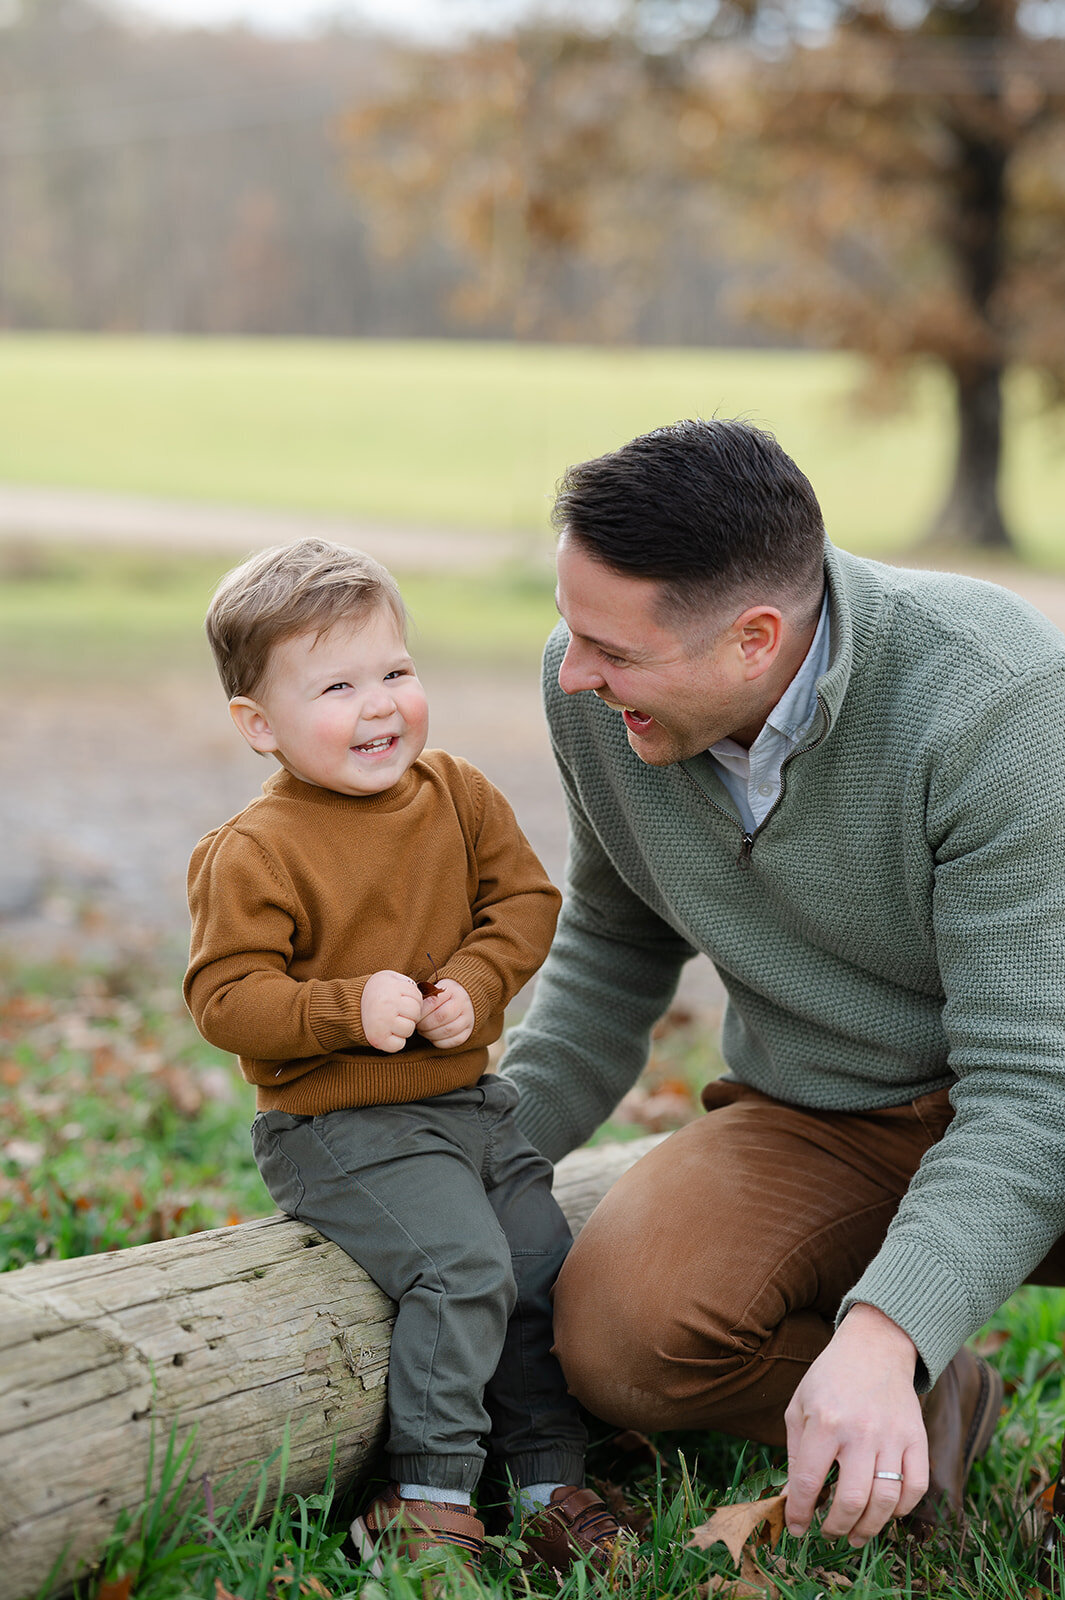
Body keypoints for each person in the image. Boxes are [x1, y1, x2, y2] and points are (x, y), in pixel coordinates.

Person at [500, 417, 1065, 1549]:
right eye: (570, 629)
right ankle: (926, 1410)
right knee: (619, 1336)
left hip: (1039, 1100)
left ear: (754, 639)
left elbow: (1032, 1091)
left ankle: (887, 1362)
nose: (575, 672)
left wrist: (885, 1322)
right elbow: (612, 945)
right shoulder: (599, 704)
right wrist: (479, 1154)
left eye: (611, 647)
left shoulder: (995, 701)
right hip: (826, 1113)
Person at [184, 538, 629, 1583]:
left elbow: (524, 904)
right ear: (260, 724)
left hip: (471, 1105)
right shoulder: (254, 851)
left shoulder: (458, 795)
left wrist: (475, 984)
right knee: (460, 1266)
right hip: (337, 1130)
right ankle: (424, 1495)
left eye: (394, 671)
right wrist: (344, 1006)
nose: (380, 704)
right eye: (336, 685)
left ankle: (543, 1475)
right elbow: (223, 997)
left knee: (533, 1261)